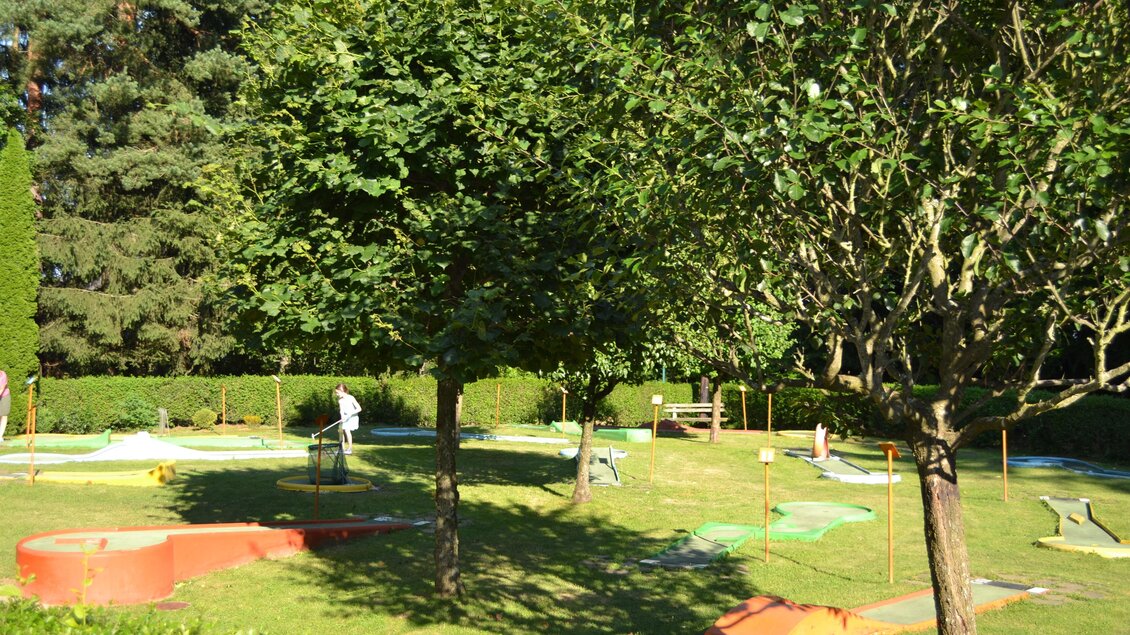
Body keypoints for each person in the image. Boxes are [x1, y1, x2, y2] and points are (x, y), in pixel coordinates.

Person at [335, 383, 362, 454]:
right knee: (340, 430)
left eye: (337, 392)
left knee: (346, 430)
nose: (337, 394)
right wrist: (342, 417)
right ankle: (342, 449)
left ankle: (349, 449)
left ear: (342, 391)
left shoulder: (351, 398)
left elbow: (359, 409)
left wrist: (350, 413)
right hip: (345, 417)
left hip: (352, 417)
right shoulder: (340, 400)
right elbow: (341, 410)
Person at [0, 370, 9, 439]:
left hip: (4, 396)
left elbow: (1, 389)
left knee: (3, 415)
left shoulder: (3, 375)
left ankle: (0, 436)